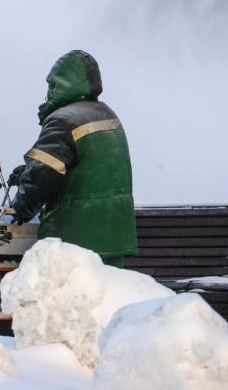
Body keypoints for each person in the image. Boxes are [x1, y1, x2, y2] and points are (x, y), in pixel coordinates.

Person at [9, 50, 137, 268]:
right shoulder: (107, 114)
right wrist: (27, 171)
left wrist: (22, 207)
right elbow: (90, 166)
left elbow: (42, 174)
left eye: (52, 86)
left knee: (67, 299)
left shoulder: (63, 120)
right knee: (106, 299)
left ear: (62, 85)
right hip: (114, 234)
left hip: (77, 237)